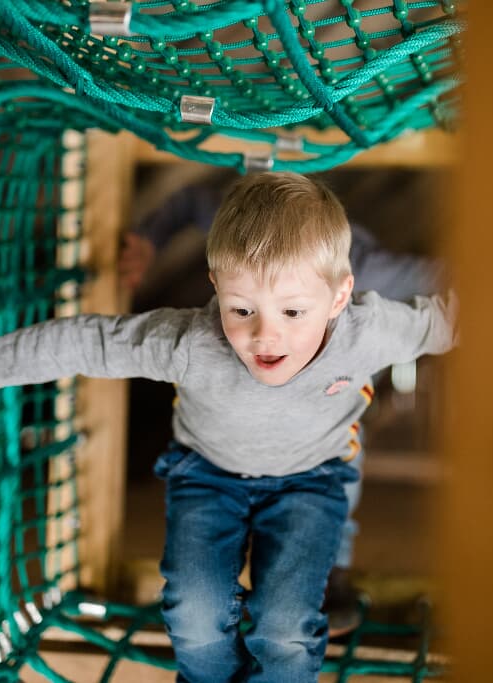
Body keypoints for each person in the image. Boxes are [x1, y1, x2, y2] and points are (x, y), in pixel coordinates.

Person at [0, 172, 457, 683]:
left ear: (339, 297)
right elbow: (83, 340)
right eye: (242, 309)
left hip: (311, 481)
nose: (265, 335)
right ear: (215, 284)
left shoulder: (369, 331)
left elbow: (449, 319)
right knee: (193, 615)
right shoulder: (188, 343)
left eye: (292, 312)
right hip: (208, 477)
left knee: (284, 627)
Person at [119, 178, 447, 635]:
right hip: (240, 399)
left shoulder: (378, 274)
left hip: (332, 400)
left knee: (337, 458)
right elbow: (191, 200)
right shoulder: (252, 239)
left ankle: (329, 572)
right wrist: (148, 239)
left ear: (340, 293)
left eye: (293, 309)